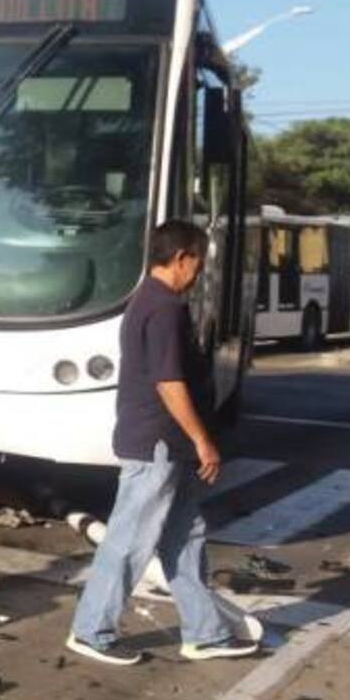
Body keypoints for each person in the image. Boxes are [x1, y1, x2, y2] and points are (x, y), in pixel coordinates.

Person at [67, 220, 259, 666]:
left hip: (170, 446)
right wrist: (203, 442)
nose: (199, 272)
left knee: (185, 538)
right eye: (199, 262)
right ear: (181, 258)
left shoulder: (151, 301)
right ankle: (91, 630)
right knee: (130, 540)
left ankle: (205, 633)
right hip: (157, 442)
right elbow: (169, 383)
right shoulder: (164, 308)